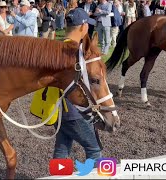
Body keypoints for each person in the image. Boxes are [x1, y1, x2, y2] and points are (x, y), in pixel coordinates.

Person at [52, 8, 102, 162]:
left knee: (63, 146)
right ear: (83, 27)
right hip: (74, 112)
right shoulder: (76, 53)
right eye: (88, 25)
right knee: (94, 149)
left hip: (57, 110)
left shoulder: (56, 48)